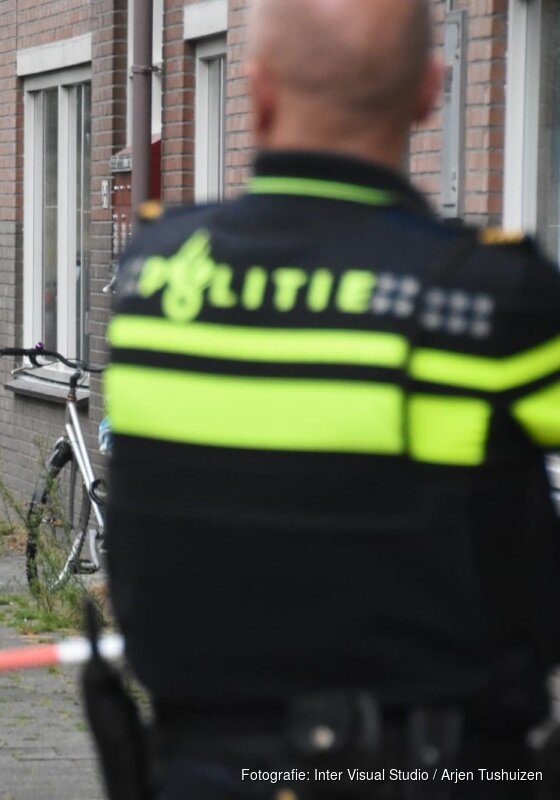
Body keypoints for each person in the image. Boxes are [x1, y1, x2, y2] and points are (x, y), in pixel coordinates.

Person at [100, 0, 560, 797]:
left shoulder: (153, 273)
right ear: (430, 91)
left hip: (203, 769)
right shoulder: (489, 299)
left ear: (259, 89)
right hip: (438, 768)